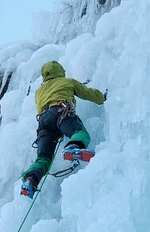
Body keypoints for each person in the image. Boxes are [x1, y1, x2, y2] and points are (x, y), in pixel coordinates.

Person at [21, 61, 105, 196]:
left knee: (43, 157)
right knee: (79, 133)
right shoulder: (67, 82)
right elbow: (87, 93)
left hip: (43, 122)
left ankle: (30, 180)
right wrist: (103, 98)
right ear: (60, 71)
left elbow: (40, 107)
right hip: (61, 111)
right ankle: (72, 147)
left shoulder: (39, 91)